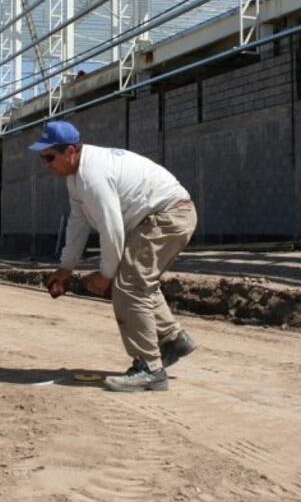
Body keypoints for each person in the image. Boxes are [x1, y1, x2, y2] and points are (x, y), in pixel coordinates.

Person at [30, 120, 198, 392]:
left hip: (167, 216)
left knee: (128, 286)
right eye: (42, 158)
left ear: (70, 151)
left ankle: (150, 369)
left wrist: (106, 275)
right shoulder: (76, 177)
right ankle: (172, 339)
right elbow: (79, 221)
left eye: (50, 157)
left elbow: (111, 229)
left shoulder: (92, 175)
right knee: (136, 281)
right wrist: (65, 268)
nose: (46, 164)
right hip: (160, 216)